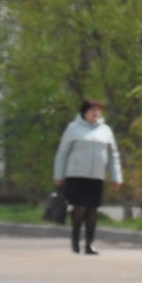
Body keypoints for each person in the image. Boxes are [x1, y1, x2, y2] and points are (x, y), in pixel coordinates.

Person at [52, 100, 123, 255]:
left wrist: (117, 176)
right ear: (84, 112)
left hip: (97, 176)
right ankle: (76, 239)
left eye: (98, 111)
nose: (96, 113)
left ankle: (90, 243)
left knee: (93, 210)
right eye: (93, 110)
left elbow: (113, 155)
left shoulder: (105, 130)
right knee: (79, 208)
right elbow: (62, 153)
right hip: (76, 175)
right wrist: (58, 175)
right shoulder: (73, 128)